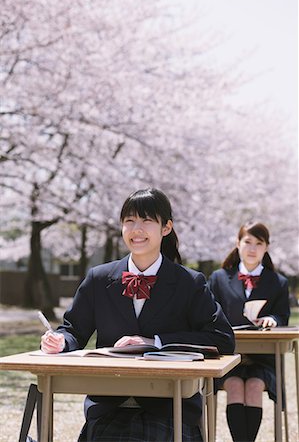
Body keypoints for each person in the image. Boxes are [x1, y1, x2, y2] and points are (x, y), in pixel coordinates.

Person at [41, 187, 235, 442]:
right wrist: (60, 341)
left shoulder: (190, 282)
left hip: (170, 409)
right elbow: (73, 329)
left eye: (146, 221)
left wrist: (155, 342)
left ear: (166, 228)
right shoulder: (99, 278)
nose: (136, 229)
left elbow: (222, 338)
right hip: (109, 405)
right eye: (129, 221)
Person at [209, 221, 290, 442]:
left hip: (264, 358)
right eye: (247, 242)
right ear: (238, 244)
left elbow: (282, 315)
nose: (252, 248)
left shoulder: (278, 282)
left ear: (266, 247)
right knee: (234, 386)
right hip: (228, 355)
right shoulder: (218, 278)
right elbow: (208, 314)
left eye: (259, 243)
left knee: (254, 386)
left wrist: (272, 320)